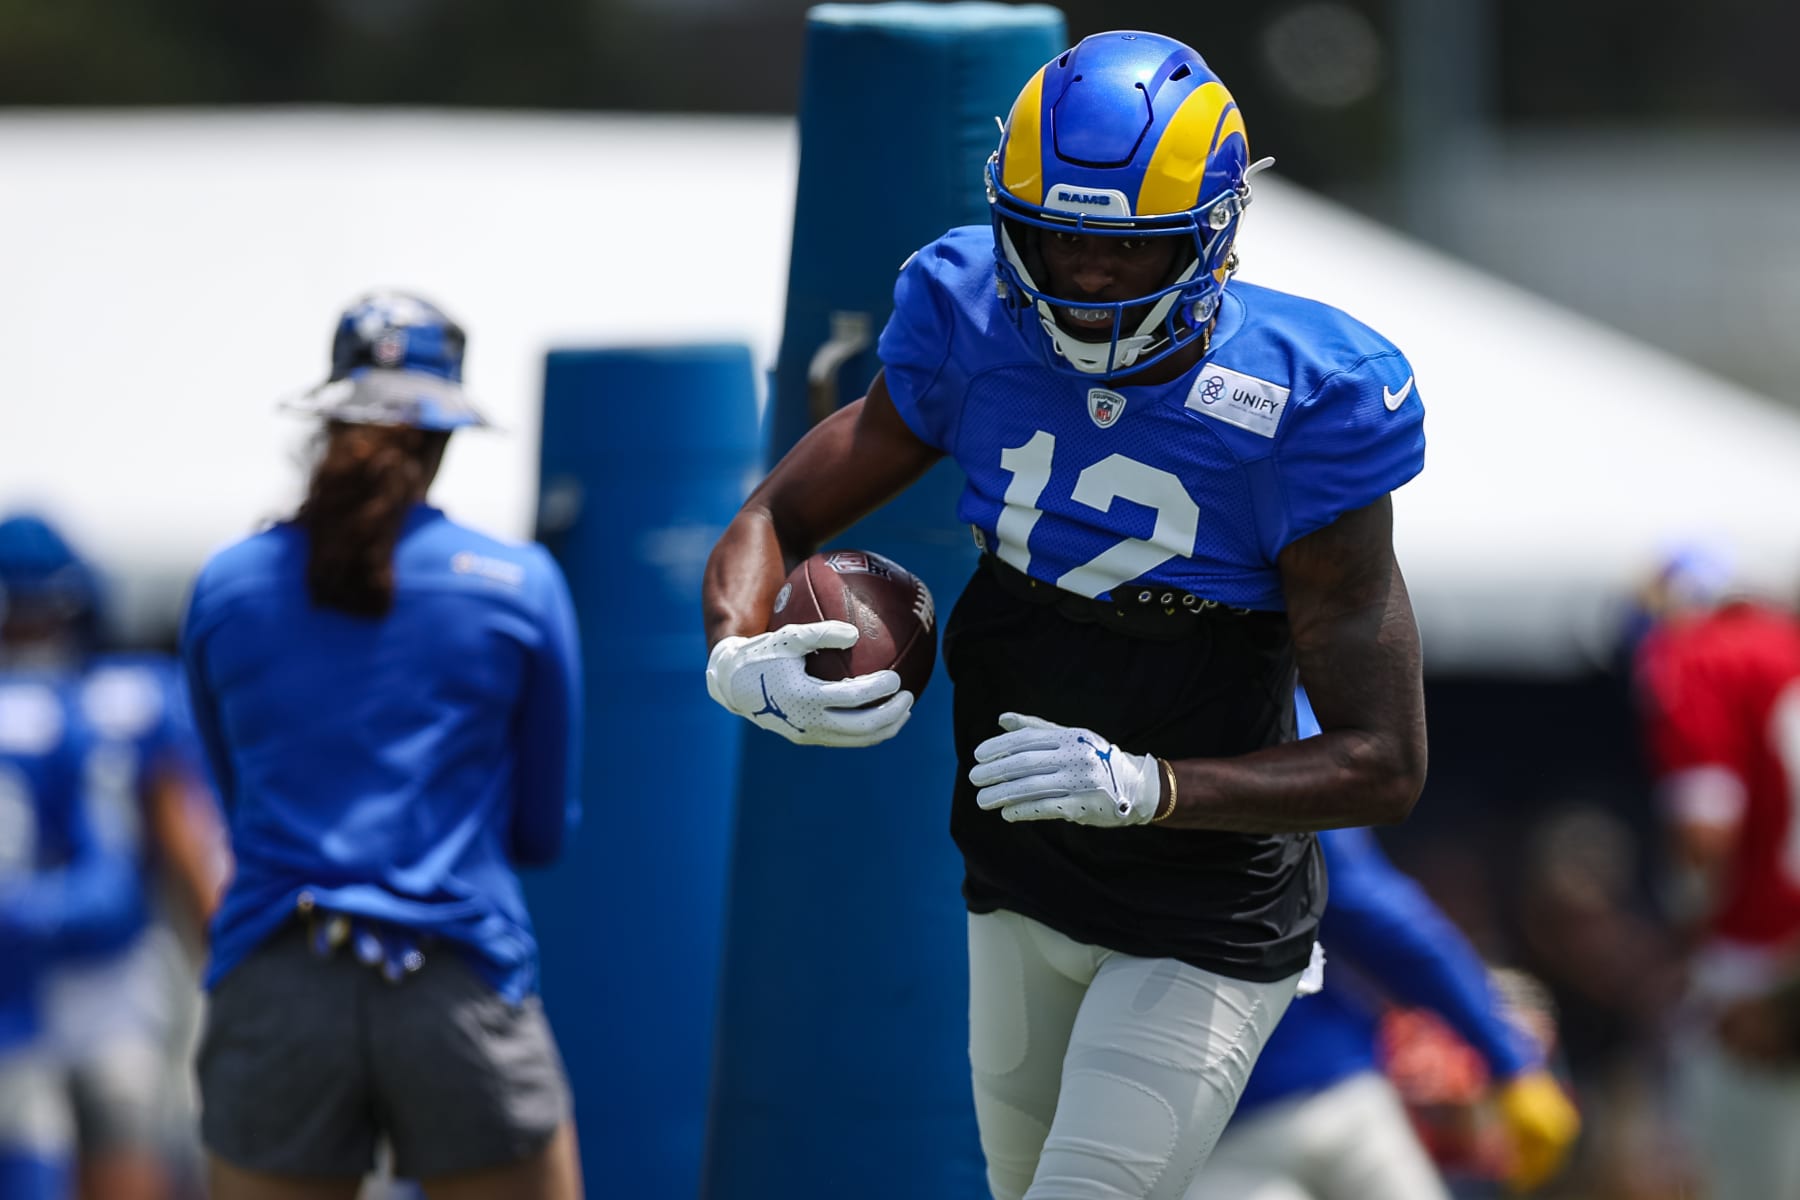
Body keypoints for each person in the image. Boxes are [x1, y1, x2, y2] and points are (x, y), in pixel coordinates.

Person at [702, 30, 1428, 1198]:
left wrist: (1153, 785)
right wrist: (737, 655)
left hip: (1204, 907)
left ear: (1216, 231)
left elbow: (1384, 765)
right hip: (1017, 869)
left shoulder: (1312, 397)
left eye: (1125, 251)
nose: (1084, 276)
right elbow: (774, 516)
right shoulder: (964, 312)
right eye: (1058, 239)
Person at [179, 291, 585, 1200]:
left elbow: (233, 796)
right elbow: (541, 831)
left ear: (329, 416)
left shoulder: (225, 586)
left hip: (277, 981)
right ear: (443, 435)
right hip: (455, 985)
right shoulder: (519, 584)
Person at [1187, 691, 1580, 1200]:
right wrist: (1508, 1059)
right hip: (1301, 1103)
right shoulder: (1263, 692)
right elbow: (1365, 906)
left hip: (1208, 1113)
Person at [0, 510, 227, 1200]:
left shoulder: (122, 700)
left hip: (102, 985)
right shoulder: (132, 697)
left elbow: (181, 838)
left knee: (115, 1142)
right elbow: (193, 852)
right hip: (69, 987)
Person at [1630, 561, 1800, 1200]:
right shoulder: (1787, 644)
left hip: (1759, 961)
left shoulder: (1696, 653)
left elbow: (1706, 831)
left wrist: (1691, 934)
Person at [0, 660, 145, 1200]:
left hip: (27, 1023)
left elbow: (111, 894)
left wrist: (20, 908)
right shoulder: (62, 713)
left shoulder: (65, 713)